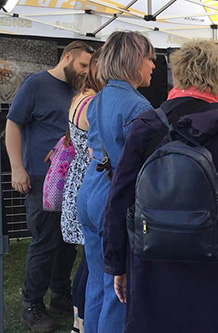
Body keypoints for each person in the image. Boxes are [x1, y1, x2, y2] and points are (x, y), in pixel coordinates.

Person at [102, 39, 218, 332]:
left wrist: (116, 265)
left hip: (156, 268)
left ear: (176, 76)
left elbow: (120, 201)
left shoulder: (146, 127)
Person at [5, 40, 93, 332]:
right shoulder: (35, 84)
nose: (86, 71)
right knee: (45, 242)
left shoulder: (78, 90)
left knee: (68, 241)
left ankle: (59, 295)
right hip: (42, 177)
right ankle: (31, 304)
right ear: (67, 57)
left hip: (71, 178)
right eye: (82, 65)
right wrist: (17, 168)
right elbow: (13, 125)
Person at [77, 31, 155, 333]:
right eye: (149, 58)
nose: (153, 65)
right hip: (113, 199)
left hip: (90, 192)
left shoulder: (98, 98)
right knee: (117, 292)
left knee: (97, 282)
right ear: (134, 60)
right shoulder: (139, 108)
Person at [60, 48, 104, 333]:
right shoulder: (93, 103)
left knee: (87, 260)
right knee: (91, 263)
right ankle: (83, 321)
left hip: (78, 180)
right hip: (88, 181)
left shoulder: (78, 98)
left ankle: (80, 320)